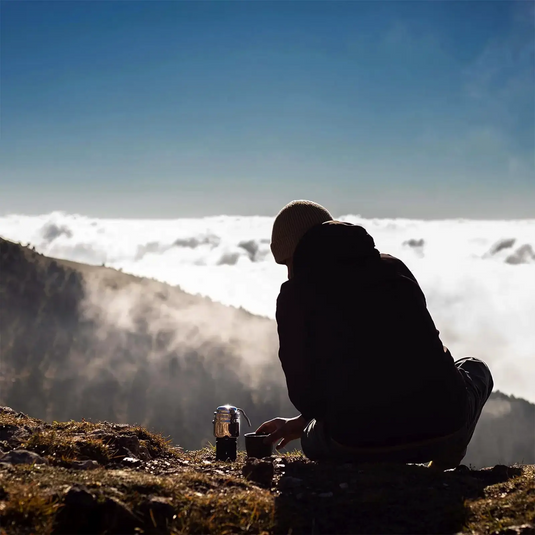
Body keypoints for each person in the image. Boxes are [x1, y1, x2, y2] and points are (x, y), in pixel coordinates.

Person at [256, 200, 494, 470]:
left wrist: (306, 424)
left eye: (288, 262)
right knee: (475, 368)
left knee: (313, 440)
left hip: (357, 444)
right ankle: (446, 460)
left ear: (297, 253)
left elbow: (308, 398)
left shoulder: (294, 297)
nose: (289, 273)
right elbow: (429, 355)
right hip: (443, 429)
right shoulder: (394, 268)